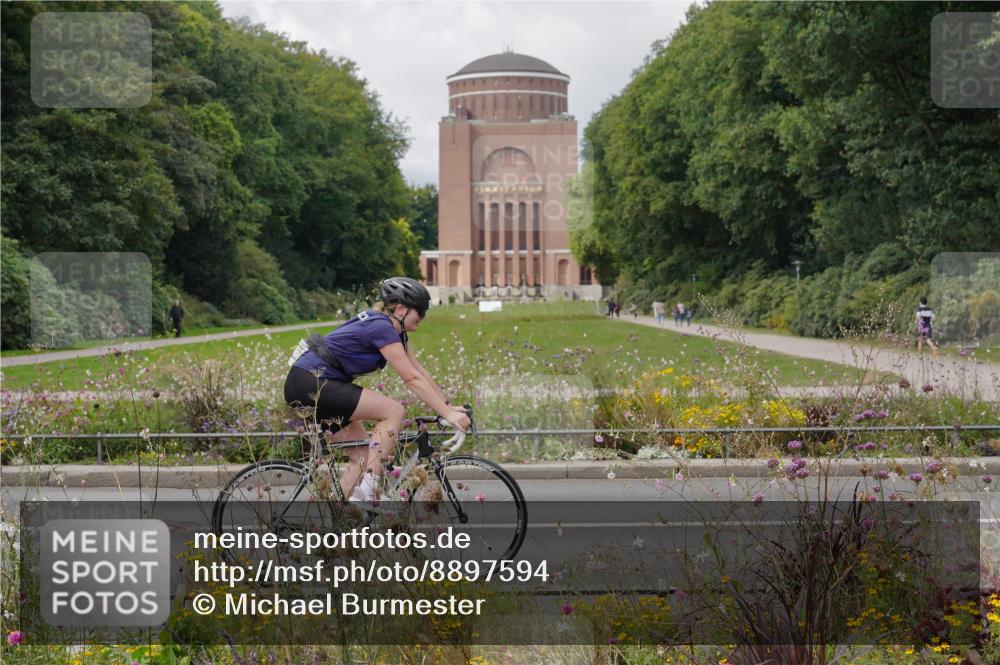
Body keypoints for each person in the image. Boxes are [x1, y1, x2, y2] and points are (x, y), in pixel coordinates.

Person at [283, 277, 470, 503]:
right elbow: (410, 378)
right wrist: (448, 415)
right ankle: (369, 489)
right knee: (394, 411)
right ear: (401, 309)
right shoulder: (381, 327)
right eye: (420, 311)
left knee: (362, 457)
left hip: (312, 382)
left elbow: (417, 370)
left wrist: (446, 407)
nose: (423, 316)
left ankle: (335, 522)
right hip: (311, 382)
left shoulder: (395, 330)